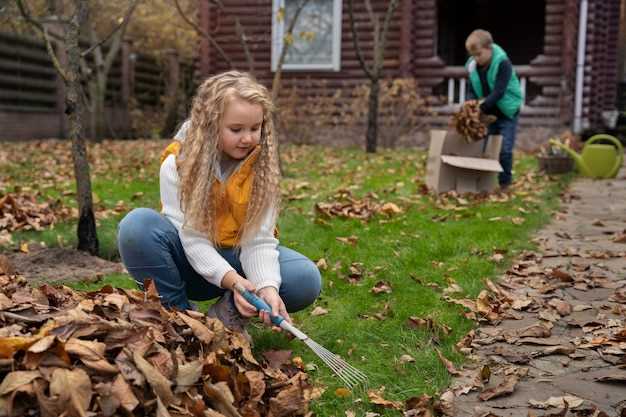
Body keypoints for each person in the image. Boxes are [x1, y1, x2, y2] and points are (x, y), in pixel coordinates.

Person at [117, 71, 322, 335]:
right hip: (187, 263)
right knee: (137, 226)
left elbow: (258, 241)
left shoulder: (262, 170)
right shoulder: (178, 165)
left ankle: (226, 316)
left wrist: (265, 287)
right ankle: (177, 319)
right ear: (211, 125)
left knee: (304, 278)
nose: (248, 138)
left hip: (236, 259)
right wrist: (233, 280)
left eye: (255, 128)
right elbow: (192, 238)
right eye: (236, 129)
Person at [465, 29, 523, 189]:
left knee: (504, 149)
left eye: (479, 54)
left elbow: (499, 91)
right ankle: (485, 183)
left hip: (507, 111)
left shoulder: (502, 63)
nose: (476, 59)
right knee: (487, 147)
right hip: (489, 111)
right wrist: (470, 103)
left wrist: (481, 108)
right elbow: (471, 88)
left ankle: (505, 183)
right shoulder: (473, 66)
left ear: (489, 48)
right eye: (473, 55)